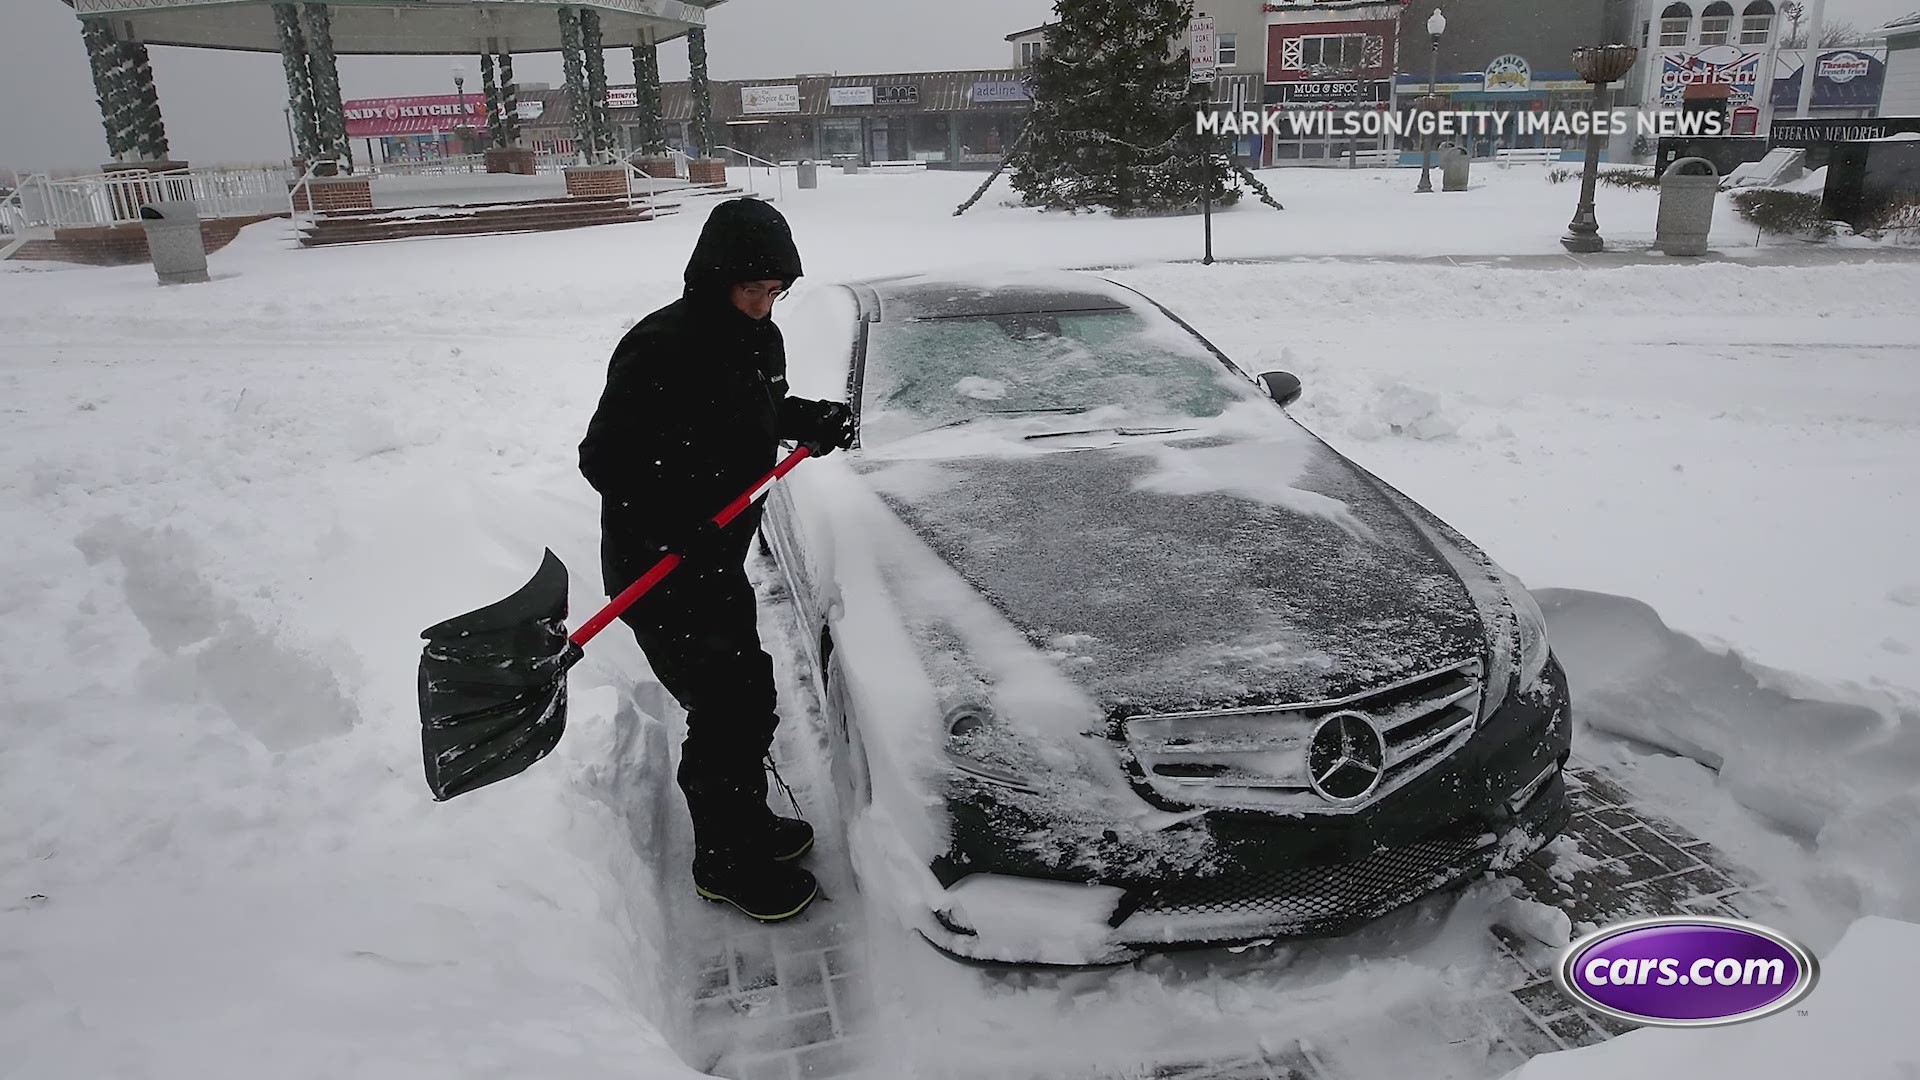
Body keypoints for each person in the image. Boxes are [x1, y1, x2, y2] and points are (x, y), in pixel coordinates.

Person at [578, 199, 856, 923]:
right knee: (725, 711)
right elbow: (604, 457)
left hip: (715, 561)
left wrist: (808, 420)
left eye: (775, 294)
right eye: (751, 291)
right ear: (715, 277)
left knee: (750, 694)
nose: (764, 307)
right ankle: (723, 863)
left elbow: (756, 413)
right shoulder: (661, 346)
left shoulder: (760, 342)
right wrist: (676, 522)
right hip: (660, 568)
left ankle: (747, 824)